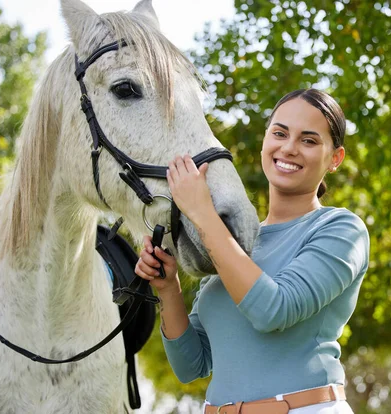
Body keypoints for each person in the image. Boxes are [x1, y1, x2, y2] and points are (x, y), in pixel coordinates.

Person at [135, 88, 369, 414]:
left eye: (309, 140)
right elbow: (192, 365)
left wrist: (203, 214)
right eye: (280, 133)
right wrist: (169, 289)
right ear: (265, 141)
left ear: (335, 158)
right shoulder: (235, 241)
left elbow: (274, 310)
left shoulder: (341, 229)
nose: (289, 148)